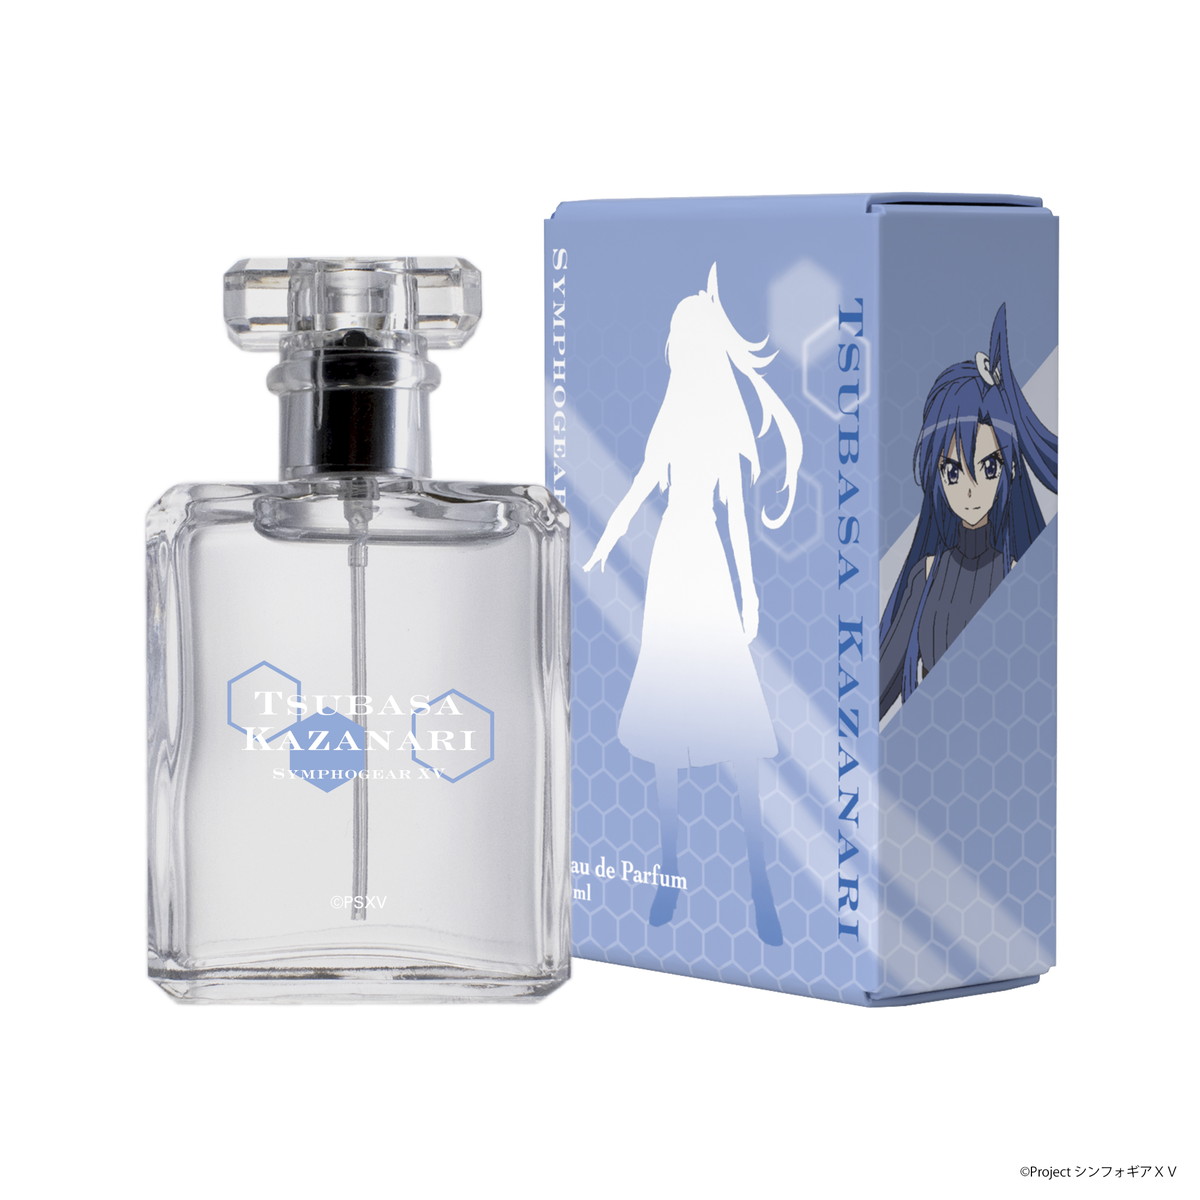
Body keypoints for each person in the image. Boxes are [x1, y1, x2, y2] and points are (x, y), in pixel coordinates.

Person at [584, 265, 802, 944]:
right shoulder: (672, 418)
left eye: (680, 338)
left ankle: (761, 885)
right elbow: (637, 489)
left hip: (703, 564)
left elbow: (735, 518)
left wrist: (750, 592)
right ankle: (668, 873)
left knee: (734, 720)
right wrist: (600, 544)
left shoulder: (720, 424)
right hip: (672, 566)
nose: (673, 349)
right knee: (666, 723)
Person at [880, 304, 1058, 719]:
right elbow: (870, 698)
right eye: (953, 472)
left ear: (1009, 468)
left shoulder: (1019, 573)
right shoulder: (926, 576)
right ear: (937, 475)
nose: (971, 491)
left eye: (988, 467)